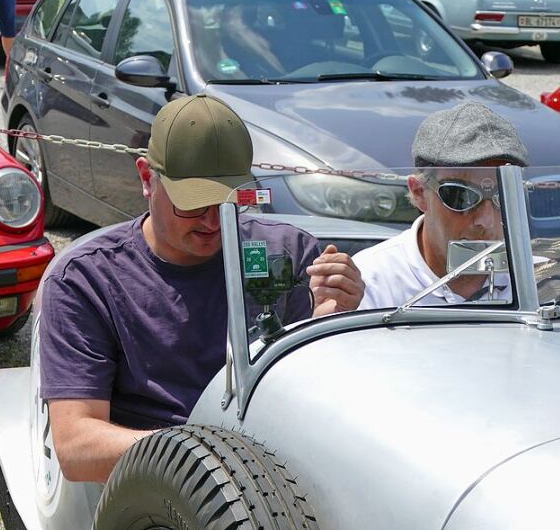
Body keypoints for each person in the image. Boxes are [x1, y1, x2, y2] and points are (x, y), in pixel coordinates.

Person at [38, 94, 365, 484]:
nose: (213, 220)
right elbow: (77, 447)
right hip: (155, 494)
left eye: (232, 201)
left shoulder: (287, 253)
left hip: (278, 481)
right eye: (193, 204)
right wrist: (214, 454)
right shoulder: (87, 281)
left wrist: (335, 322)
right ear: (146, 179)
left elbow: (323, 400)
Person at [353, 101, 528, 309]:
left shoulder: (540, 277)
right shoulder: (371, 282)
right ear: (419, 193)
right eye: (461, 195)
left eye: (505, 196)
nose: (486, 220)